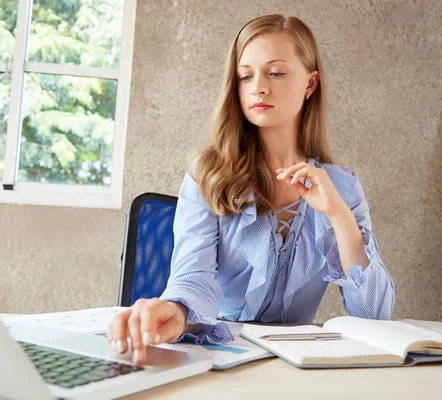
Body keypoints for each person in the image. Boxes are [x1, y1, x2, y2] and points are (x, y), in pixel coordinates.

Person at [108, 14, 395, 365]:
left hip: (301, 368)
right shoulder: (207, 175)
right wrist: (176, 313)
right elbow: (192, 276)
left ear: (310, 84)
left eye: (275, 73)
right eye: (246, 75)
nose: (258, 86)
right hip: (220, 361)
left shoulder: (343, 187)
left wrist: (339, 215)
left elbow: (375, 316)